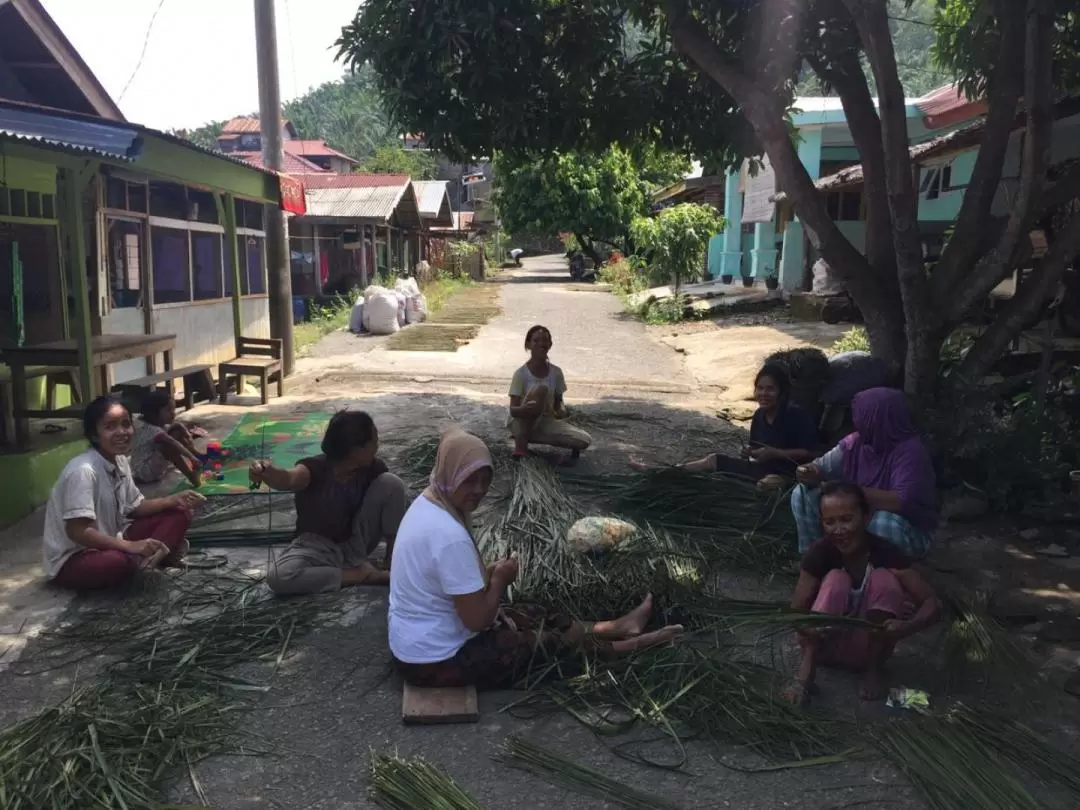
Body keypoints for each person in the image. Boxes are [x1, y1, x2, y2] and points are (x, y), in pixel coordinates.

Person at [388, 428, 684, 689]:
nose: (478, 491)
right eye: (468, 481)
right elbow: (478, 619)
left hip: (423, 637)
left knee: (535, 613)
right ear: (450, 473)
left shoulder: (431, 503)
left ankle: (615, 627)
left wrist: (490, 574)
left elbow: (445, 583)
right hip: (434, 662)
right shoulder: (448, 535)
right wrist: (500, 581)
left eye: (484, 479)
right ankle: (630, 646)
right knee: (545, 645)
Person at [782, 481, 941, 704]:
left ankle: (873, 670)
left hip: (865, 651)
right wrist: (809, 628)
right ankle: (806, 673)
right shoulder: (819, 554)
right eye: (829, 522)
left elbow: (931, 601)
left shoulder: (884, 551)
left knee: (884, 579)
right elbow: (795, 611)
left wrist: (907, 627)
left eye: (846, 519)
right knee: (836, 579)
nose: (838, 530)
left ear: (866, 518)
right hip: (826, 646)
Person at [43, 396, 205, 591]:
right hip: (77, 556)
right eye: (110, 427)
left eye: (126, 424)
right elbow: (77, 531)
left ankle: (144, 561)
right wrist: (130, 546)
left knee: (180, 512)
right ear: (95, 435)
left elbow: (135, 507)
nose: (121, 432)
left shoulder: (119, 461)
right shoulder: (84, 470)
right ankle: (145, 560)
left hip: (115, 539)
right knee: (117, 562)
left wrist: (172, 500)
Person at [251, 410, 409, 596]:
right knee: (279, 577)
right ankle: (358, 575)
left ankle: (391, 562)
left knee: (392, 483)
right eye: (373, 441)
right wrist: (267, 473)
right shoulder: (314, 469)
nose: (377, 446)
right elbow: (288, 479)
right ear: (355, 451)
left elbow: (391, 505)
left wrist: (392, 550)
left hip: (356, 541)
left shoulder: (373, 468)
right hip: (316, 547)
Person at [793, 387, 937, 559]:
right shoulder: (855, 442)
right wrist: (808, 472)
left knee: (882, 524)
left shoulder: (911, 452)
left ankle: (891, 569)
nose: (856, 420)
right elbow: (820, 467)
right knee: (802, 493)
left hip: (904, 528)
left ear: (878, 418)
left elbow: (902, 501)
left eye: (862, 414)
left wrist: (849, 493)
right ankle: (817, 558)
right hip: (857, 516)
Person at [630, 363, 818, 483]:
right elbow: (755, 452)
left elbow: (813, 452)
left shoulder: (795, 415)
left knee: (766, 484)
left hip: (787, 477)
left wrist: (777, 453)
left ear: (782, 392)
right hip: (760, 470)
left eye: (770, 389)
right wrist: (749, 452)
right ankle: (662, 472)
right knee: (713, 461)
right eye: (760, 388)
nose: (763, 394)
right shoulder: (760, 416)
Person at [508, 325, 592, 463]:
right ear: (528, 344)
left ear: (550, 344)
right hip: (521, 421)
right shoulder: (521, 374)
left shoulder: (556, 373)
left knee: (584, 440)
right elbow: (513, 410)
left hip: (545, 422)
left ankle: (529, 437)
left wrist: (561, 411)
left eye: (545, 340)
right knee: (541, 389)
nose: (541, 344)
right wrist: (524, 409)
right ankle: (521, 441)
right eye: (536, 340)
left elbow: (559, 404)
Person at [129, 390, 202, 489]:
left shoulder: (152, 422)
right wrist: (191, 458)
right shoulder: (151, 429)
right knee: (169, 446)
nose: (173, 413)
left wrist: (184, 430)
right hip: (145, 473)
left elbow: (175, 426)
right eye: (168, 410)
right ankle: (191, 476)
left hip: (150, 467)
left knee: (176, 431)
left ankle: (198, 456)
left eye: (173, 409)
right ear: (154, 413)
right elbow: (172, 442)